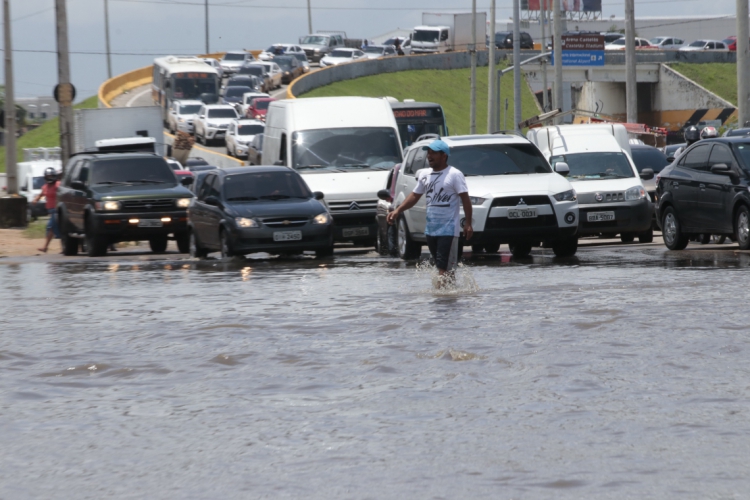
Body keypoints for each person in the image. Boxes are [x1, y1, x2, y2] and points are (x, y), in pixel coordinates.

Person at [386, 139, 473, 285]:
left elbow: (465, 199)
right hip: (431, 230)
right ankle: (449, 298)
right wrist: (397, 210)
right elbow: (414, 196)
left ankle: (442, 300)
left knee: (443, 268)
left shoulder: (454, 174)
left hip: (449, 230)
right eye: (428, 153)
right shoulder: (425, 175)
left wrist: (468, 223)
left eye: (433, 153)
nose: (429, 156)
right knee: (442, 267)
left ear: (444, 155)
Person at [33, 167, 60, 253]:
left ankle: (47, 247)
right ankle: (45, 247)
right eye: (48, 176)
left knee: (51, 227)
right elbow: (40, 194)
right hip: (50, 211)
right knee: (51, 230)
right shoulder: (45, 187)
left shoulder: (58, 185)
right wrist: (35, 199)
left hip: (58, 210)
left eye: (51, 176)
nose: (50, 178)